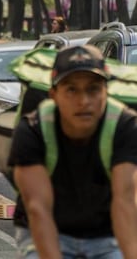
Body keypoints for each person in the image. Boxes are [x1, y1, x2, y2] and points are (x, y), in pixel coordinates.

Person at [8, 45, 137, 259]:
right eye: (71, 89)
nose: (83, 101)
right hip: (48, 231)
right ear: (54, 95)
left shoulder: (125, 126)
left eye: (93, 89)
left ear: (106, 91)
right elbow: (38, 209)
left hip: (107, 235)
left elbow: (125, 202)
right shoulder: (33, 129)